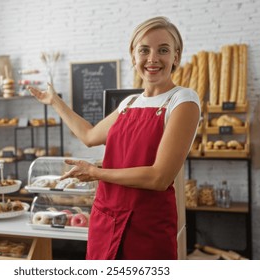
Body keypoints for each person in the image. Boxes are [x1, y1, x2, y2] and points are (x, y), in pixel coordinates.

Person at [28, 16, 200, 260]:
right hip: (106, 222)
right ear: (133, 55)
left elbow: (159, 177)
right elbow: (88, 135)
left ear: (176, 56)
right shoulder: (128, 104)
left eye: (163, 50)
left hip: (146, 228)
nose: (152, 58)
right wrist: (54, 102)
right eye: (144, 50)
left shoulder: (183, 100)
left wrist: (97, 172)